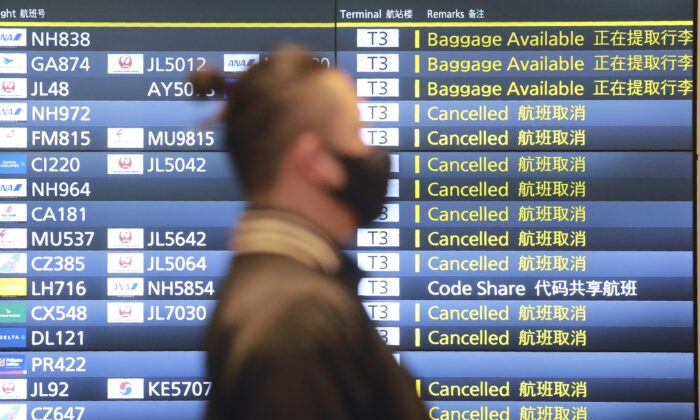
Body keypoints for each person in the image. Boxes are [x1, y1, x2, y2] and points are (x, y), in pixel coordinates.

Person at [193, 47, 430, 420]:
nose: (374, 152)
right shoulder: (297, 323)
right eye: (358, 132)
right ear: (314, 159)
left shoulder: (278, 291)